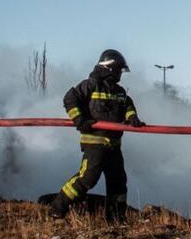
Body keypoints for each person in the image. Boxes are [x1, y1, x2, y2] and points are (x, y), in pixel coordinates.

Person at [49, 49, 145, 222]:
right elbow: (70, 99)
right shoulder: (90, 85)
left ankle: (116, 218)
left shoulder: (120, 92)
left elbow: (128, 105)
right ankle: (57, 208)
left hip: (114, 145)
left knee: (118, 181)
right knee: (88, 178)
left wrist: (132, 117)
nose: (120, 75)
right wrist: (80, 119)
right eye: (118, 70)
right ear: (110, 68)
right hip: (94, 143)